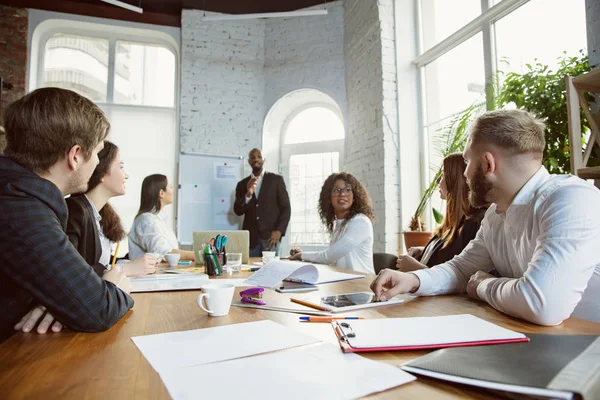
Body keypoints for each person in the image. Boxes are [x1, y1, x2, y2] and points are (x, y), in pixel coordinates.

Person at [371, 109, 600, 326]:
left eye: (468, 161)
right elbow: (461, 270)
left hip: (588, 353)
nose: (465, 173)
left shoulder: (570, 198)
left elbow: (542, 304)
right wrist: (413, 280)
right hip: (540, 343)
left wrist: (482, 284)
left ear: (488, 163)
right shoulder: (495, 214)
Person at [0, 88, 133, 342]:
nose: (96, 162)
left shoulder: (18, 193)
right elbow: (98, 308)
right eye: (96, 152)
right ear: (75, 156)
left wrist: (57, 301)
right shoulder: (20, 208)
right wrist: (114, 287)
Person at [66, 141, 157, 277]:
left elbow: (101, 263)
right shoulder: (75, 210)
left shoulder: (96, 213)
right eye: (121, 167)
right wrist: (125, 269)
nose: (126, 175)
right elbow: (72, 270)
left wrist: (132, 263)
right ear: (102, 172)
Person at [397, 153, 487, 272]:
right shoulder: (454, 223)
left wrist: (417, 269)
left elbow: (464, 280)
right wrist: (425, 251)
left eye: (443, 174)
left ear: (456, 180)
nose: (438, 181)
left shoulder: (476, 224)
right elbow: (449, 256)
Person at [289, 172, 376, 274]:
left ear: (354, 195)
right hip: (344, 283)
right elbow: (334, 258)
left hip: (363, 284)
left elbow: (328, 257)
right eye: (336, 190)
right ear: (329, 197)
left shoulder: (360, 222)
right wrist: (302, 255)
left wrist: (301, 256)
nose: (342, 194)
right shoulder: (340, 224)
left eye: (347, 190)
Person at [234, 148, 291, 257]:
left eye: (259, 157)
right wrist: (248, 195)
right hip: (251, 240)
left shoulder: (276, 180)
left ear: (263, 159)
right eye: (253, 157)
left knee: (272, 271)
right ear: (249, 161)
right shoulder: (242, 184)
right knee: (250, 272)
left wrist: (279, 231)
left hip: (271, 238)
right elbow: (238, 210)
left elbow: (286, 208)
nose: (256, 159)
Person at [128, 174, 195, 261]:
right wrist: (198, 255)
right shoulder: (146, 220)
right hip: (150, 274)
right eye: (170, 187)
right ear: (161, 193)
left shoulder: (158, 219)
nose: (173, 191)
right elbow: (163, 252)